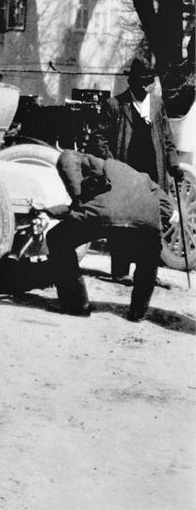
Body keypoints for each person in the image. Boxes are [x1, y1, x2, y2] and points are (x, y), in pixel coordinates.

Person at [32, 150, 164, 321]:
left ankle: (75, 304)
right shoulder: (141, 177)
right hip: (146, 220)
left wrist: (76, 198)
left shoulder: (90, 161)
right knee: (149, 254)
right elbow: (166, 207)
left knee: (57, 237)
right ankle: (138, 313)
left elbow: (68, 159)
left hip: (104, 214)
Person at [86, 54, 181, 281]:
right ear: (132, 82)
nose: (145, 87)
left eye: (148, 82)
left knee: (153, 222)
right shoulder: (115, 105)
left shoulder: (157, 105)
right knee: (123, 221)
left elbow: (167, 140)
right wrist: (113, 165)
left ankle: (149, 273)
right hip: (126, 172)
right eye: (141, 82)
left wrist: (174, 165)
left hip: (153, 173)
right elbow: (99, 138)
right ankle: (120, 271)